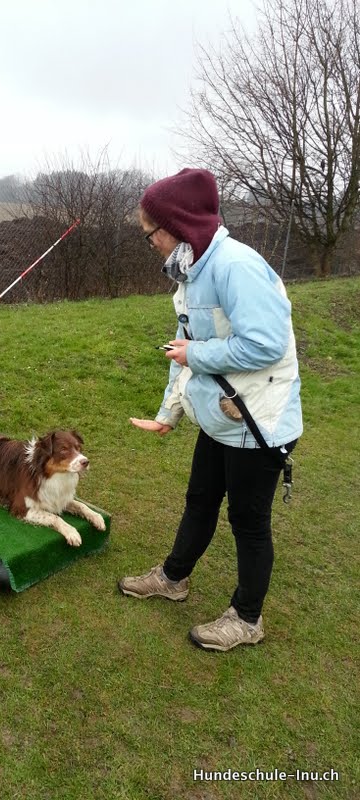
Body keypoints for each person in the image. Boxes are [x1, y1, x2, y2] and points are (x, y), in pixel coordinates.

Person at [118, 168, 303, 652]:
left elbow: (265, 345)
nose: (151, 244)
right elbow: (181, 350)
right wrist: (169, 413)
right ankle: (173, 579)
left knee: (249, 522)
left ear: (177, 225)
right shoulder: (190, 273)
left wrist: (196, 354)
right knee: (199, 501)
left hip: (259, 422)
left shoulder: (235, 266)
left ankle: (247, 619)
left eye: (151, 234)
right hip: (222, 419)